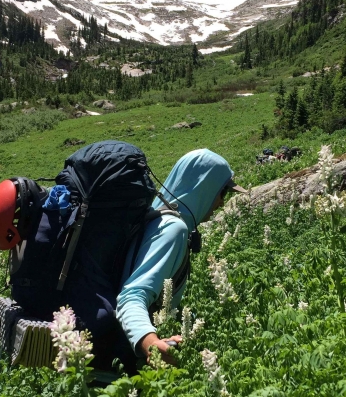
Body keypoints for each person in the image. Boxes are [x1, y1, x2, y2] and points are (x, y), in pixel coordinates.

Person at [105, 148, 246, 372]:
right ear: (205, 189)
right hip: (125, 360)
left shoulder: (157, 215)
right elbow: (131, 296)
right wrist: (151, 344)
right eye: (223, 193)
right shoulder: (174, 229)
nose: (221, 203)